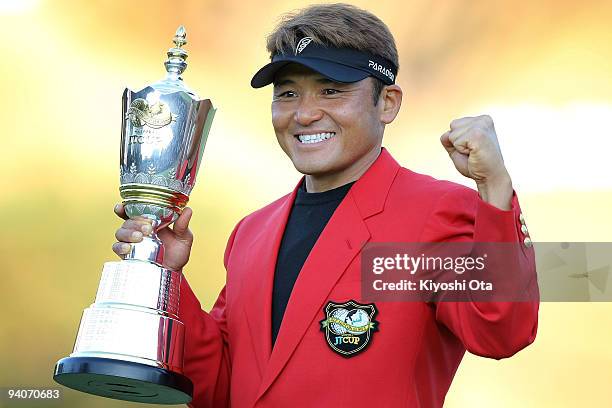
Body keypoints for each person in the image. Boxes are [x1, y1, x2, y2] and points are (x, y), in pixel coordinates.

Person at [112, 4, 539, 407]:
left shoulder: (437, 212)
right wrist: (164, 276)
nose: (305, 114)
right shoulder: (251, 232)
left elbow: (501, 332)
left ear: (387, 103)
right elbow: (222, 389)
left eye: (331, 91)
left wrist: (495, 187)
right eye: (288, 93)